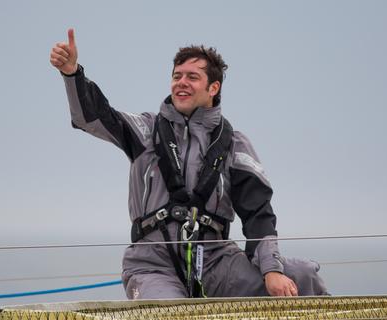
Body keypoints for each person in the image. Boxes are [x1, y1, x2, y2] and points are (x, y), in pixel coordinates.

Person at [50, 29, 328, 299]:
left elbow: (259, 213)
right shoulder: (145, 130)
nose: (181, 82)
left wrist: (271, 270)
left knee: (302, 276)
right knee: (170, 318)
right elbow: (93, 117)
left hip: (217, 263)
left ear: (213, 87)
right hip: (152, 265)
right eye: (176, 76)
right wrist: (72, 74)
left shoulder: (235, 144)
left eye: (192, 77)